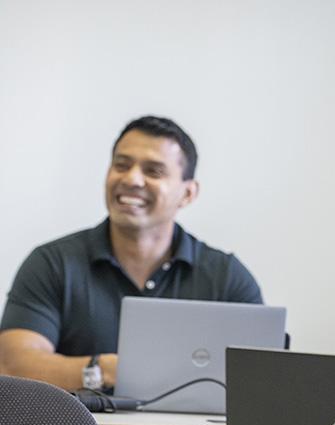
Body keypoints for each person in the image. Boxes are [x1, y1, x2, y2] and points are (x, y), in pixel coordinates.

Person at [0, 115, 263, 392]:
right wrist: (101, 370)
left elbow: (263, 379)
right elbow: (13, 365)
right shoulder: (52, 263)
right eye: (121, 165)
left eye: (153, 171)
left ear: (187, 194)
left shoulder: (227, 276)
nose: (132, 179)